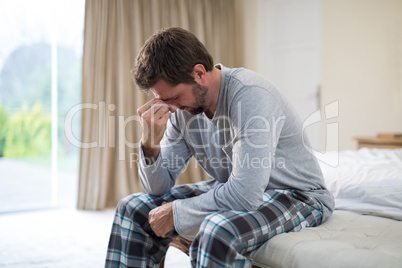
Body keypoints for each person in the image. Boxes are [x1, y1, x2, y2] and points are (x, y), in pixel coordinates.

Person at [105, 27, 334, 268]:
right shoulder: (184, 110)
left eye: (172, 97)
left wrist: (178, 212)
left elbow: (245, 195)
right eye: (163, 100)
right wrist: (150, 142)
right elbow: (158, 188)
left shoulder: (250, 96)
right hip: (237, 188)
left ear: (199, 73)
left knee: (216, 231)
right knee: (132, 209)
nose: (169, 108)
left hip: (297, 195)